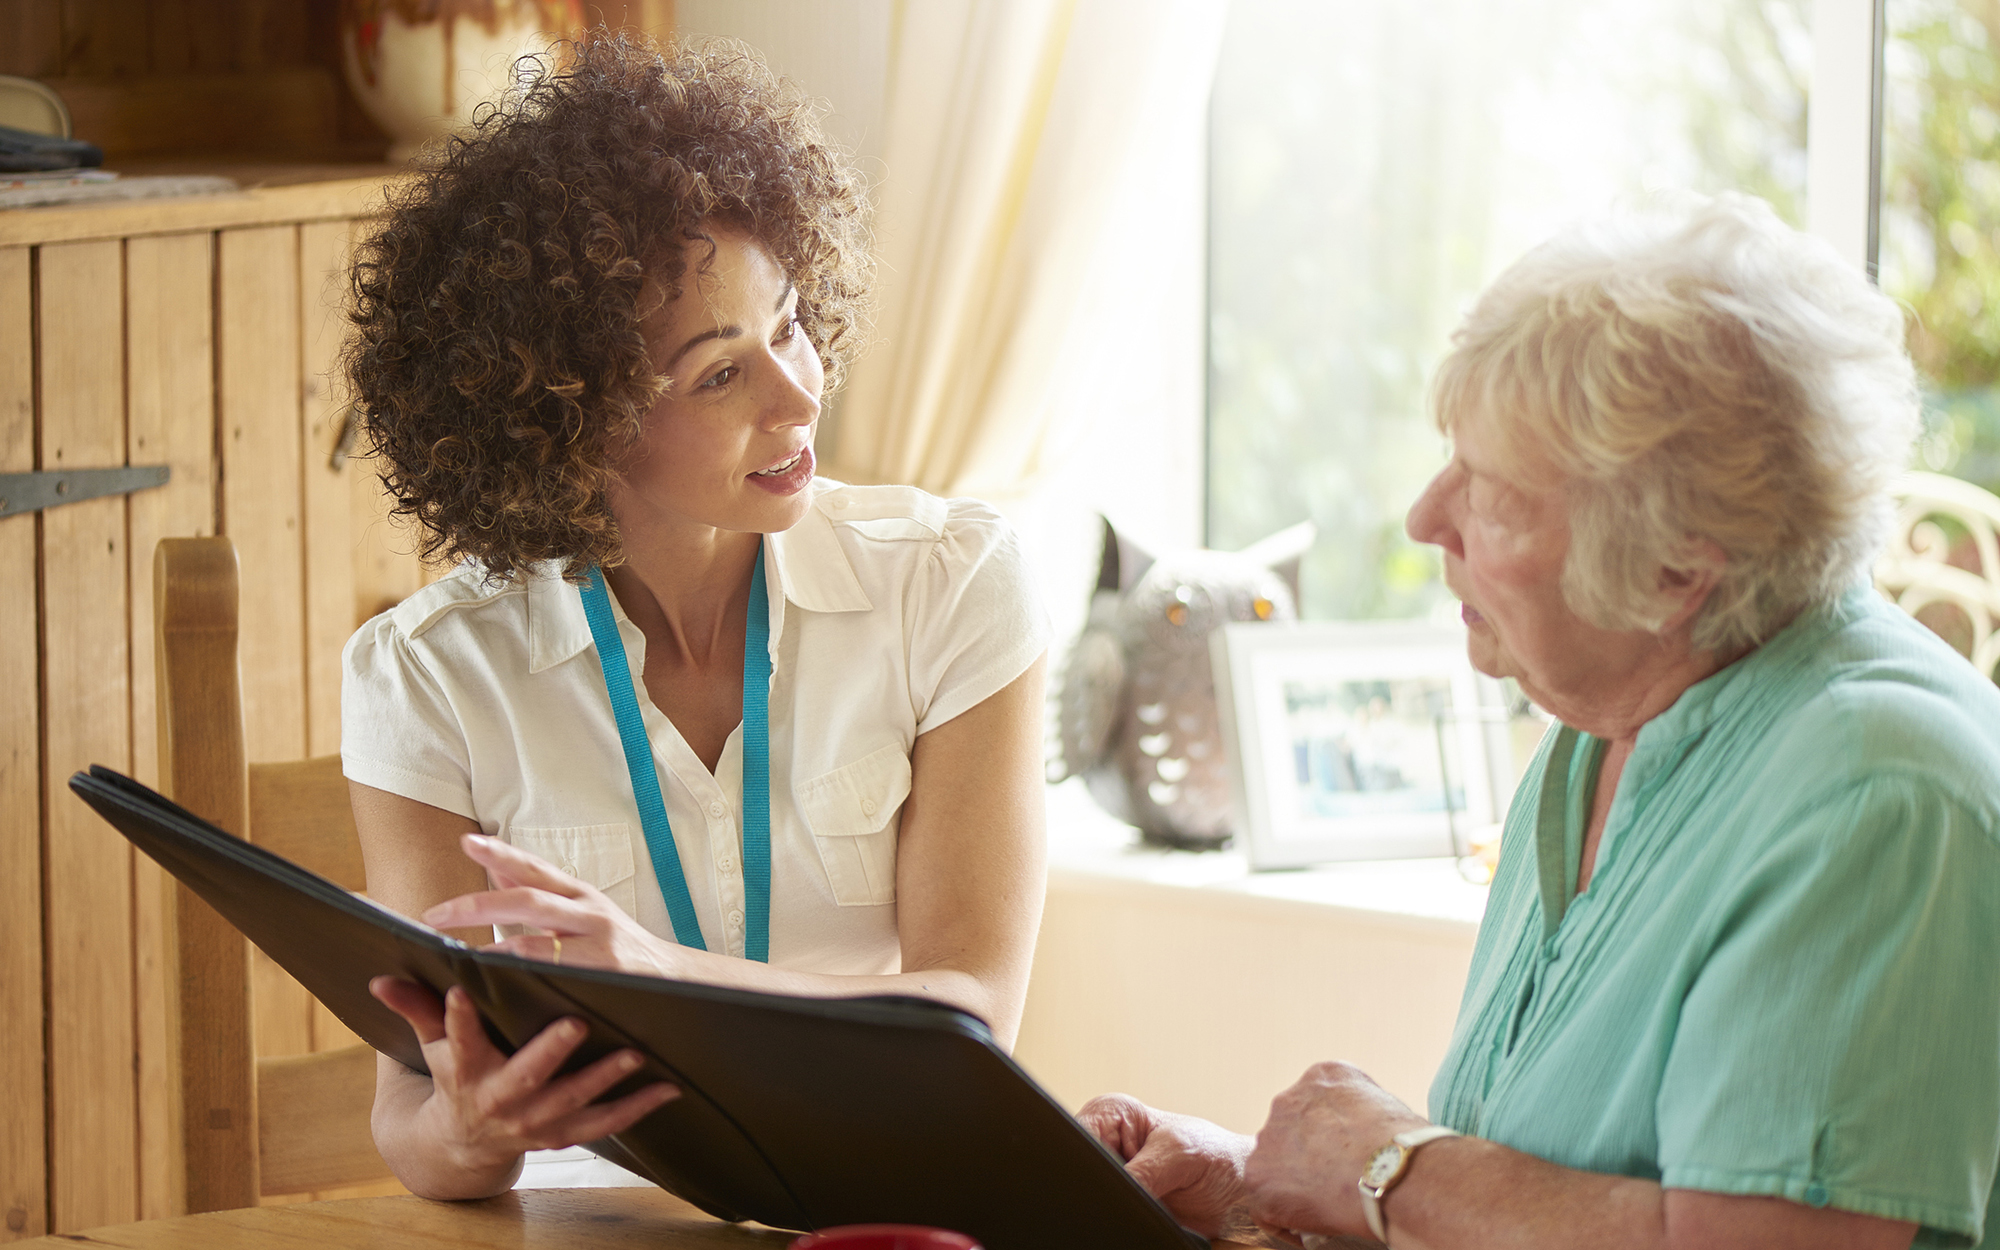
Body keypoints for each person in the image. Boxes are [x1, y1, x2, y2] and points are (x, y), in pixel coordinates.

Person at [1079, 193, 2000, 1250]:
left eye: (1489, 489)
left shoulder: (1878, 792)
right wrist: (1263, 1179)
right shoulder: (1596, 729)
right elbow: (1538, 1193)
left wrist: (1387, 1163)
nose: (1426, 517)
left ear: (1673, 566)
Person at [339, 33, 1050, 1201]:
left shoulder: (950, 583)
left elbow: (970, 1014)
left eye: (788, 325)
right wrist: (471, 1133)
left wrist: (653, 972)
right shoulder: (422, 676)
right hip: (582, 1226)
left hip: (887, 1202)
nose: (799, 392)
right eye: (721, 374)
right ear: (573, 419)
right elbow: (413, 1109)